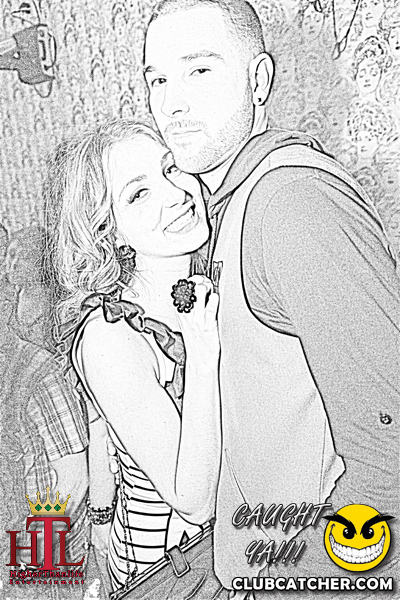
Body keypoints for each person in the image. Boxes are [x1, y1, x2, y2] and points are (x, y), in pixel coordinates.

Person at [144, 0, 400, 595]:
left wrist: (298, 578)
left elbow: (390, 452)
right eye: (157, 79)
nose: (171, 103)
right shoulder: (230, 205)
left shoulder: (291, 205)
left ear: (259, 80)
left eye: (198, 70)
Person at [45, 119, 221, 591]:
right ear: (111, 232)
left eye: (171, 168)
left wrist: (101, 518)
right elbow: (195, 501)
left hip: (228, 546)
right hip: (170, 572)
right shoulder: (111, 335)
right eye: (138, 194)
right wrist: (203, 350)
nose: (176, 194)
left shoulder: (206, 281)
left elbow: (102, 425)